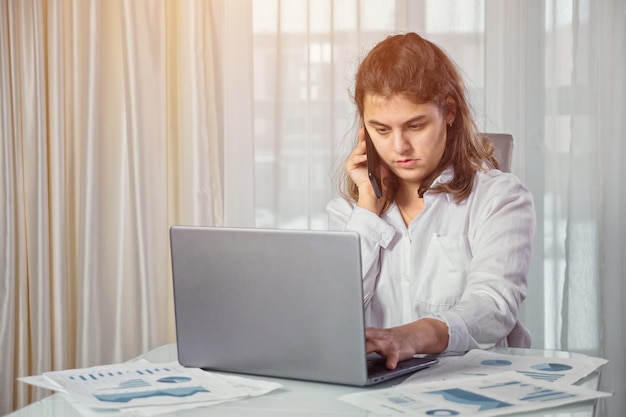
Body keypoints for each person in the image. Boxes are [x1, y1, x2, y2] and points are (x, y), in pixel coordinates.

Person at [327, 32, 536, 370]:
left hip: (473, 384)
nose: (399, 147)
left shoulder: (501, 198)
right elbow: (333, 316)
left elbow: (493, 306)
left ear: (448, 112)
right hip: (377, 390)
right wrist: (367, 212)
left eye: (415, 125)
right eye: (381, 130)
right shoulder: (347, 213)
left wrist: (410, 336)